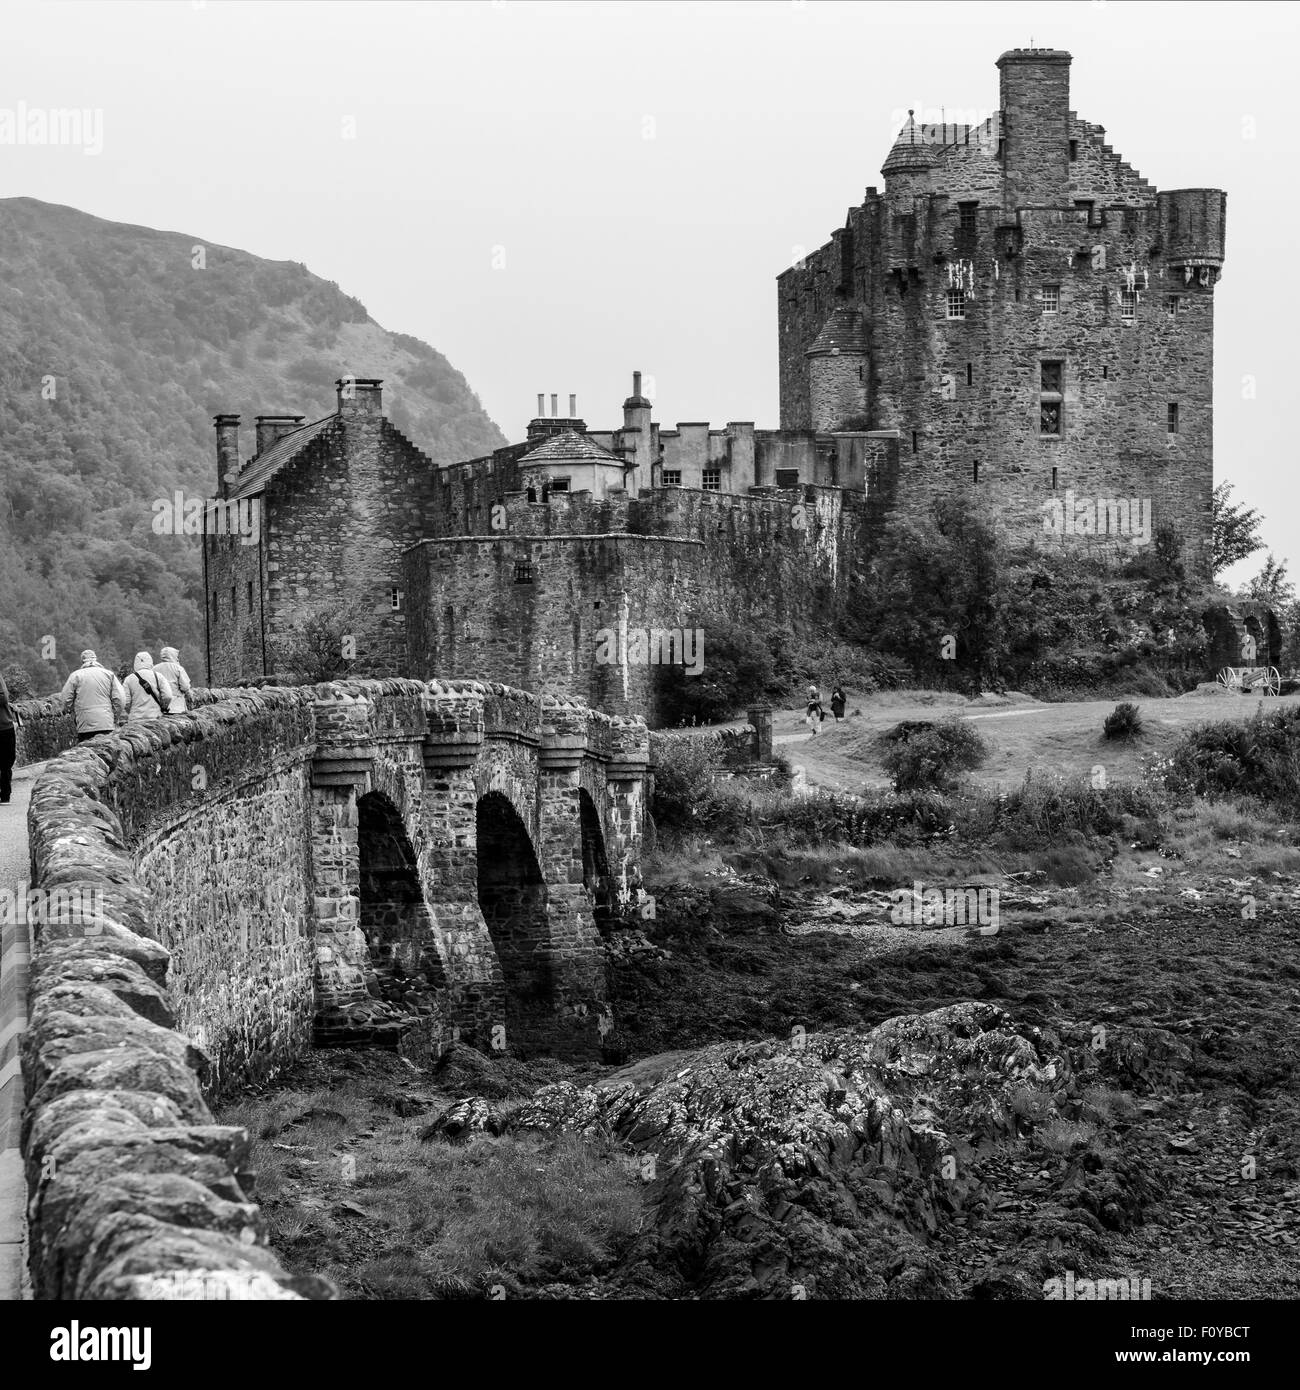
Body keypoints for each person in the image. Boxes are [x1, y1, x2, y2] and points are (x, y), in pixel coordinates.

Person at [61, 650, 126, 742]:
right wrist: (114, 716)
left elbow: (65, 699)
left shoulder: (75, 676)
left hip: (84, 723)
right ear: (96, 659)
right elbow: (120, 698)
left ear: (82, 661)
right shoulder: (108, 674)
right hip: (106, 722)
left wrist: (72, 712)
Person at [122, 652, 175, 723]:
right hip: (155, 718)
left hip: (135, 719)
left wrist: (131, 712)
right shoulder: (159, 676)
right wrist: (163, 707)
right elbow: (168, 696)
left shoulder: (128, 679)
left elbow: (126, 702)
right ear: (151, 662)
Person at [154, 646, 193, 713]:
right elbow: (185, 687)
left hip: (159, 705)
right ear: (173, 655)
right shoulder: (178, 668)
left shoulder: (154, 669)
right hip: (176, 705)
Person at [0, 671, 18, 804]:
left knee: (6, 762)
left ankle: (5, 795)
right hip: (4, 726)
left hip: (3, 725)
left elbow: (3, 697)